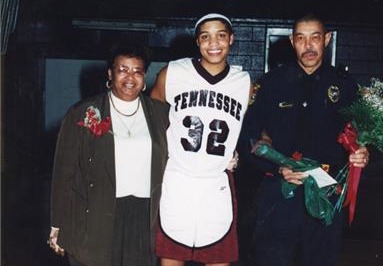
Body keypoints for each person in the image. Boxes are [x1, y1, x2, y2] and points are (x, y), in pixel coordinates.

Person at [237, 13, 369, 266]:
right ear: (291, 41)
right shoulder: (270, 84)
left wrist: (363, 152)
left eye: (315, 38)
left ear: (327, 39)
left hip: (326, 189)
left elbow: (361, 136)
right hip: (279, 191)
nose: (308, 46)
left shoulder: (346, 87)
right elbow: (248, 137)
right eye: (301, 38)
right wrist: (276, 166)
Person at [47, 42, 169, 266]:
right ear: (110, 74)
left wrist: (228, 157)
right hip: (97, 213)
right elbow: (64, 173)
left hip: (145, 218)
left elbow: (188, 149)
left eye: (137, 71)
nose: (130, 77)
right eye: (123, 69)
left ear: (144, 78)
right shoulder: (83, 112)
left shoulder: (161, 114)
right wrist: (57, 224)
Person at [150, 13, 252, 266]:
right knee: (171, 256)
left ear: (232, 39)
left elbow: (246, 127)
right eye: (205, 37)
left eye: (220, 35)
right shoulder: (172, 73)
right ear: (197, 42)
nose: (213, 43)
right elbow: (151, 121)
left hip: (216, 180)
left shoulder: (244, 82)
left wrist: (236, 152)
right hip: (177, 177)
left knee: (219, 256)